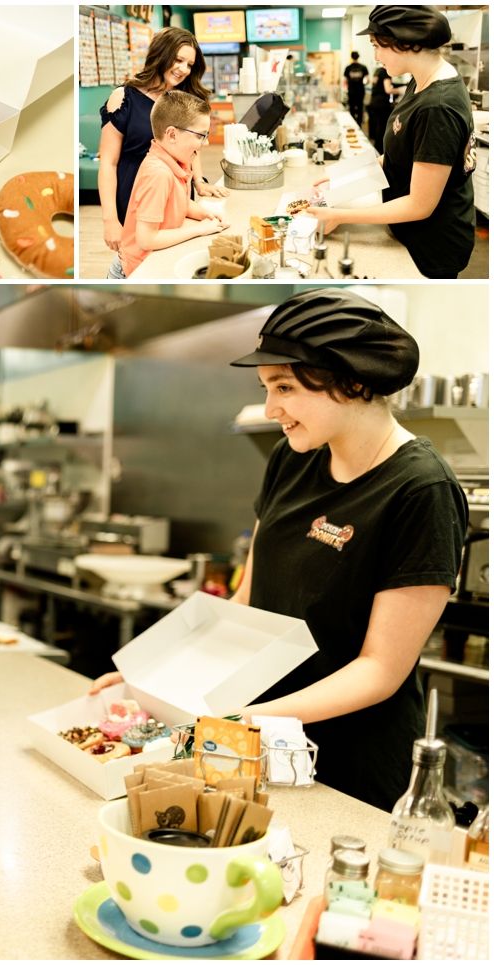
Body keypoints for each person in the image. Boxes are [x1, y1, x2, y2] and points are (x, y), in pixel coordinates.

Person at [91, 289, 467, 811]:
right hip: (256, 748)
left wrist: (249, 719)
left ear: (353, 380)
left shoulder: (420, 489)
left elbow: (381, 668)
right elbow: (245, 602)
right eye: (267, 388)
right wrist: (150, 679)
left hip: (351, 766)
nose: (271, 410)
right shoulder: (291, 460)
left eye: (284, 387)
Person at [307, 6, 477, 279]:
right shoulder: (420, 81)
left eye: (377, 46)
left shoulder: (437, 107)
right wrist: (340, 179)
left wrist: (339, 216)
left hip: (431, 242)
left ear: (407, 42)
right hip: (406, 229)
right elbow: (402, 154)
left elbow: (420, 205)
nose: (374, 56)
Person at [98, 27, 229, 257]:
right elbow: (108, 162)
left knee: (172, 254)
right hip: (133, 194)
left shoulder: (185, 99)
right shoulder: (124, 98)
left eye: (189, 65)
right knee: (136, 258)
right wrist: (109, 219)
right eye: (178, 60)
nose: (184, 70)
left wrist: (199, 181)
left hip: (176, 192)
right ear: (161, 54)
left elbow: (191, 147)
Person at [110, 91, 228, 278]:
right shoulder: (158, 173)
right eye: (200, 136)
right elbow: (146, 240)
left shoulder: (176, 161)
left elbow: (179, 200)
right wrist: (198, 229)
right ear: (172, 134)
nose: (205, 144)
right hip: (134, 271)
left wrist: (206, 214)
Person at [366, 64, 400, 153]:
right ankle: (379, 152)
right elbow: (388, 90)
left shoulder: (377, 71)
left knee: (376, 127)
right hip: (381, 104)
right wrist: (402, 90)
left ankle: (375, 150)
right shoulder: (385, 72)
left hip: (374, 102)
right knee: (382, 129)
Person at [343, 51, 369, 126]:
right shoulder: (363, 67)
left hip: (351, 91)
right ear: (358, 57)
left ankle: (352, 125)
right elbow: (368, 79)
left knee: (352, 109)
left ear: (351, 57)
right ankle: (359, 125)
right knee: (360, 109)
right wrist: (363, 84)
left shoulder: (348, 68)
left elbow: (344, 80)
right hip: (360, 91)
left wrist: (350, 83)